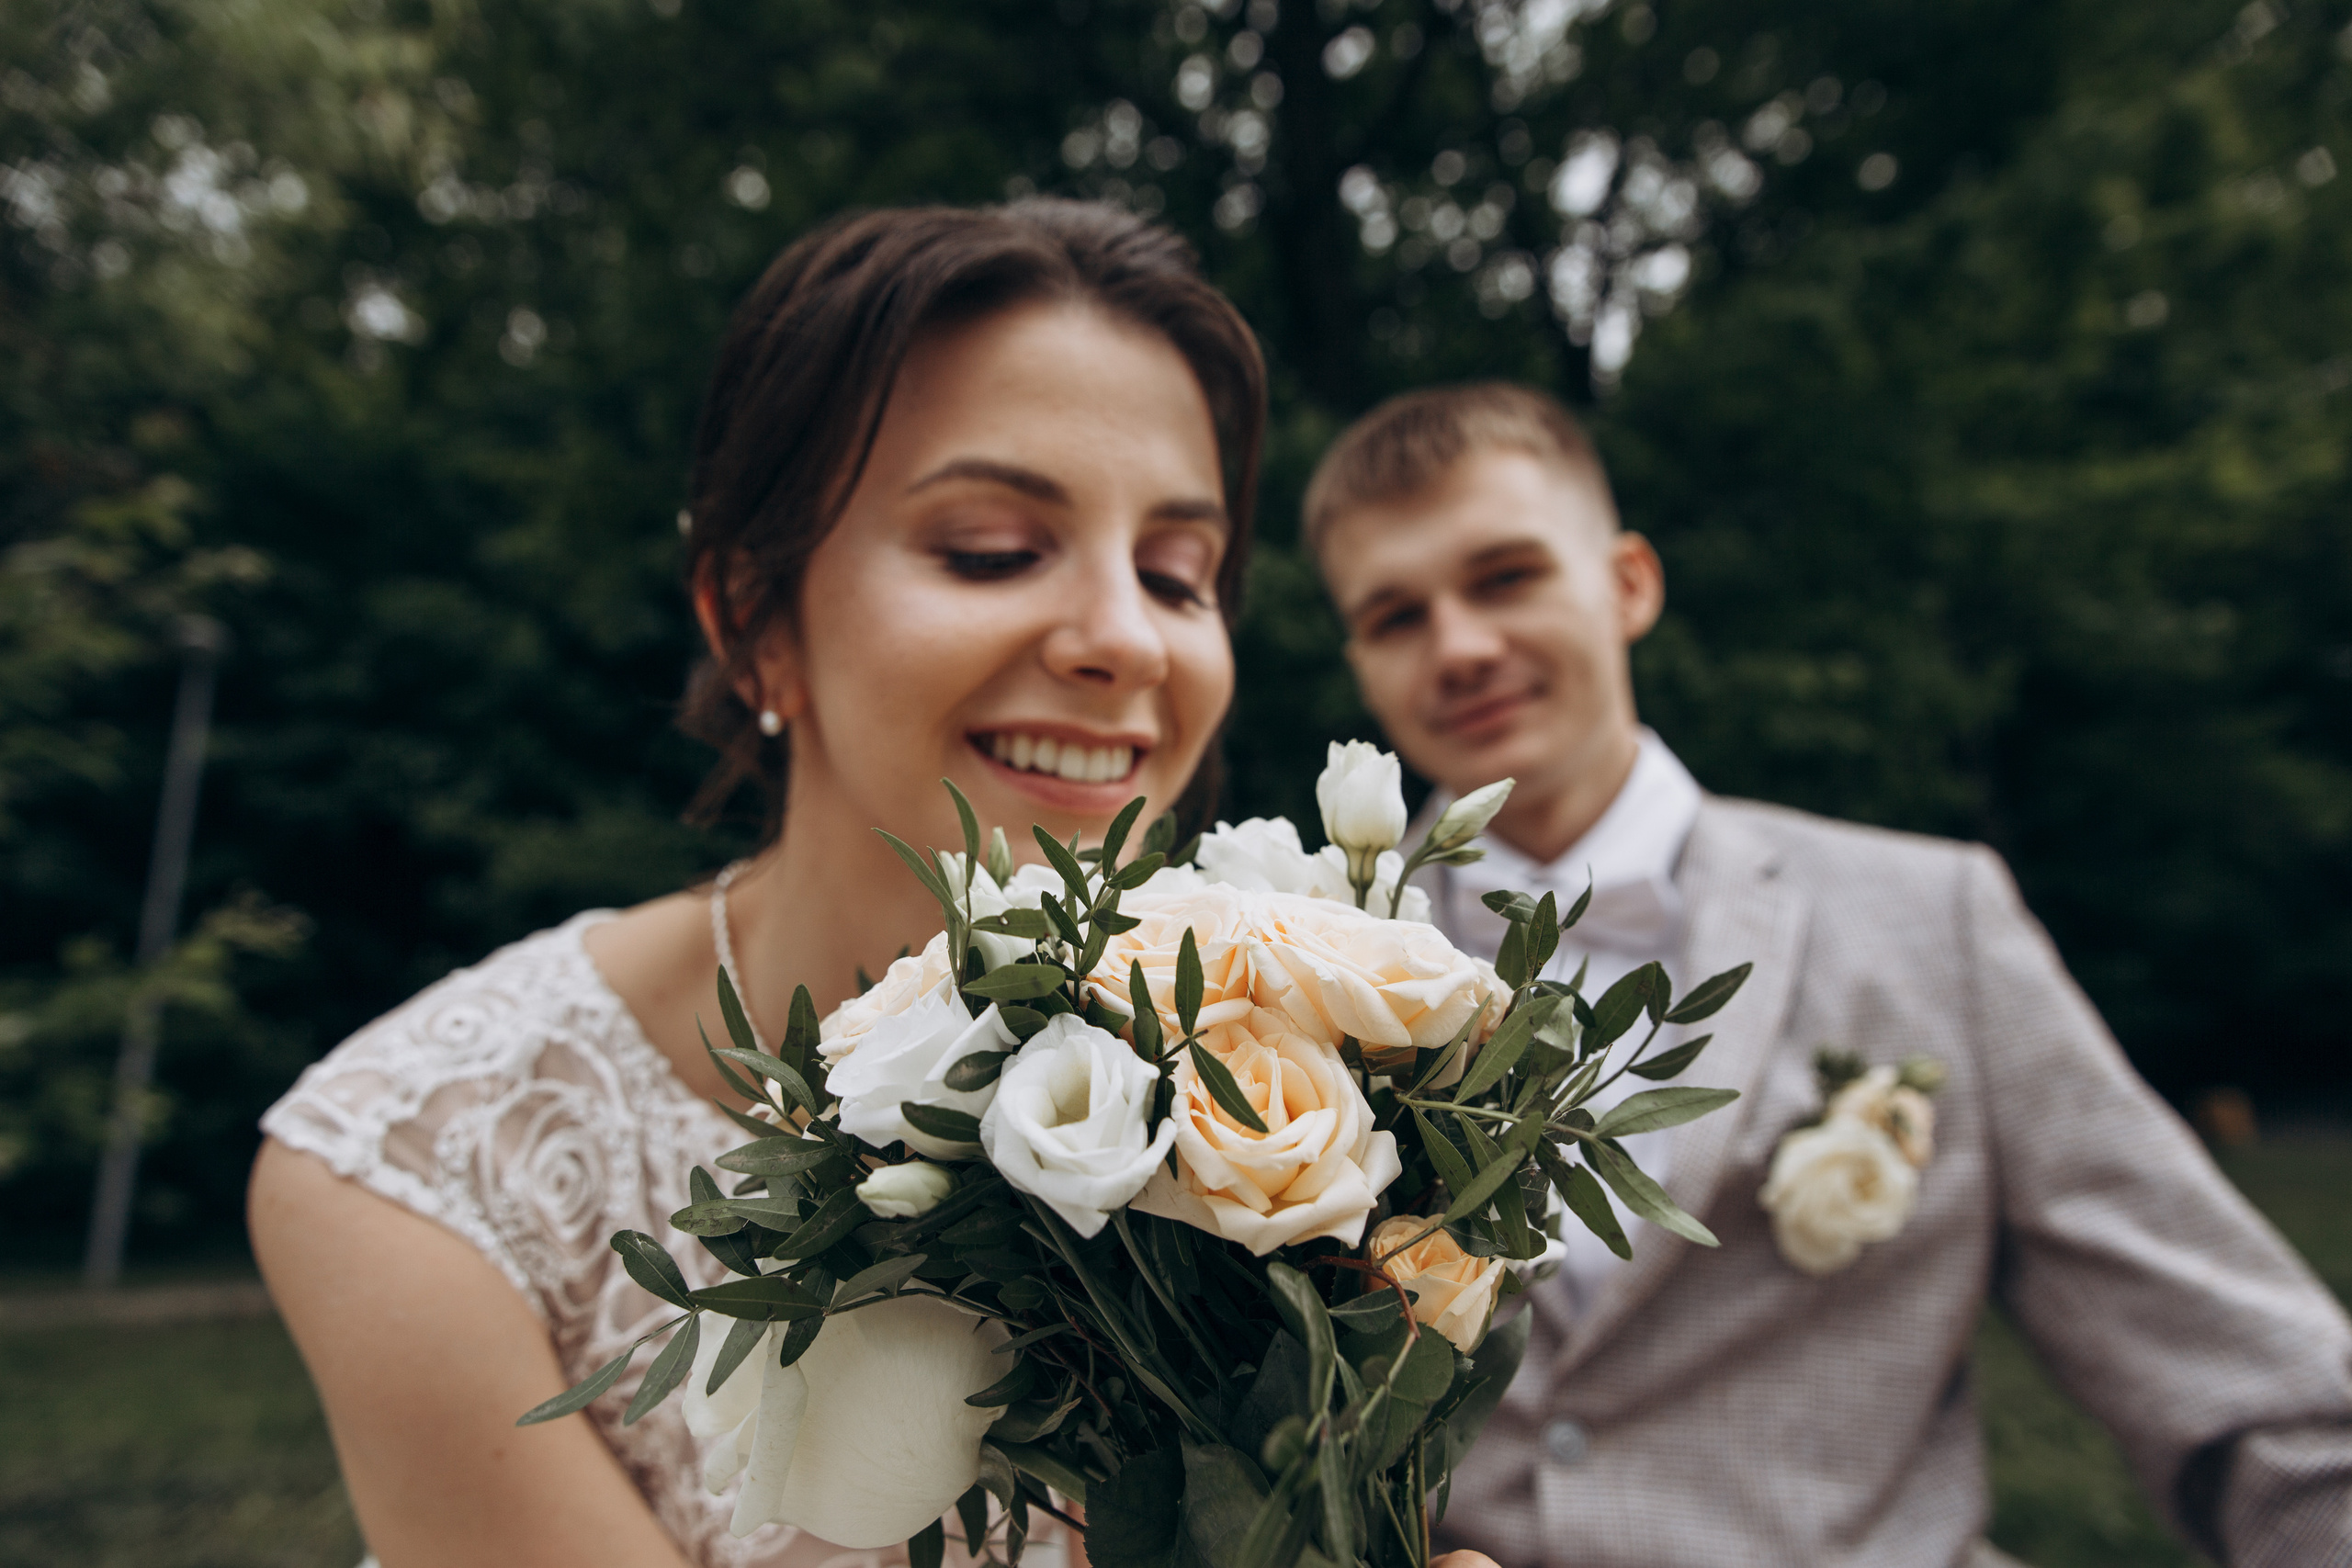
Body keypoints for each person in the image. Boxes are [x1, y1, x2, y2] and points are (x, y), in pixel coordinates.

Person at [249, 199, 1273, 1568]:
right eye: (988, 549)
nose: (1122, 638)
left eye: (1177, 572)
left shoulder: (1299, 1111)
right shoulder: (420, 1170)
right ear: (749, 619)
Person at [1304, 381, 2352, 1568]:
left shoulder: (1935, 920)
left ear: (1629, 583)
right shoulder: (1298, 982)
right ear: (1361, 661)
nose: (1461, 646)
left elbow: (2262, 1391)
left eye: (1506, 577)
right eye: (1397, 616)